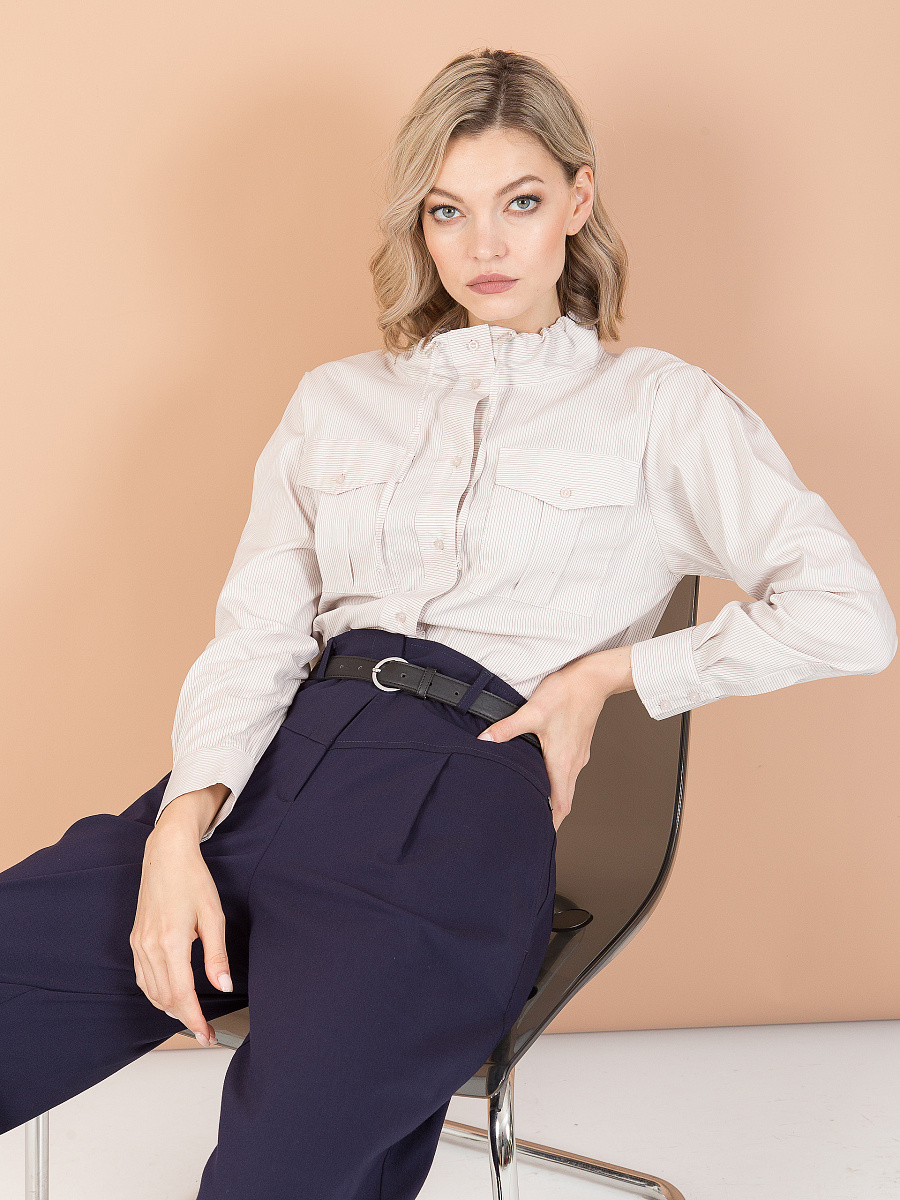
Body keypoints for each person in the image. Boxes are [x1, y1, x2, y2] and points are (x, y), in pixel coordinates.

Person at [0, 46, 895, 1200]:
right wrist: (178, 829)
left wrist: (608, 678)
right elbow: (258, 635)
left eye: (519, 202)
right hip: (272, 761)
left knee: (282, 1174)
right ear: (417, 224)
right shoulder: (337, 400)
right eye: (447, 211)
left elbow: (847, 613)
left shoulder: (658, 406)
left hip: (457, 796)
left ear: (577, 198)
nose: (484, 246)